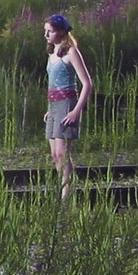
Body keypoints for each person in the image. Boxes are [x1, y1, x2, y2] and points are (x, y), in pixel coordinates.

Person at [42, 12, 93, 197]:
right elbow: (52, 83)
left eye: (51, 31)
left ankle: (67, 194)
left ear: (62, 32)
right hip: (54, 104)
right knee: (55, 153)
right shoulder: (52, 54)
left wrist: (76, 111)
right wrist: (49, 109)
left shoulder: (71, 52)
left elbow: (87, 83)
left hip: (67, 102)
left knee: (63, 153)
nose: (47, 35)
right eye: (46, 31)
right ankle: (62, 189)